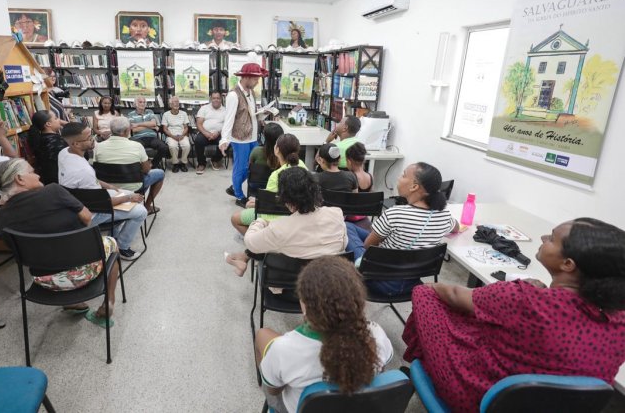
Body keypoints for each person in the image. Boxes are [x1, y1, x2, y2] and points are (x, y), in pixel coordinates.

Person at [403, 218, 625, 413]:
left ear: (568, 264)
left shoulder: (524, 298)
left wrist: (435, 287)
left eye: (552, 238)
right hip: (546, 404)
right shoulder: (619, 320)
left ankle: (425, 365)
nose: (543, 237)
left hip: (478, 399)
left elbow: (453, 294)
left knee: (425, 293)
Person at [0, 158, 120, 328]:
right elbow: (87, 218)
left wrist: (6, 195)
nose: (37, 175)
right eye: (31, 172)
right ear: (20, 179)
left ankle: (73, 303)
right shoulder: (54, 192)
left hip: (44, 281)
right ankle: (109, 301)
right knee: (111, 242)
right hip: (84, 273)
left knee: (52, 254)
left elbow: (2, 204)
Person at [256, 256, 393, 413]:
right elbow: (382, 369)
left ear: (305, 304)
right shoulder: (376, 334)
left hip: (297, 408)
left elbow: (273, 392)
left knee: (262, 335)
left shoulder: (284, 349)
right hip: (358, 407)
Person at [346, 162, 458, 295]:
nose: (399, 177)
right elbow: (456, 227)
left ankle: (354, 270)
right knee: (357, 229)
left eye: (403, 175)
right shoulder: (444, 215)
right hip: (413, 282)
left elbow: (368, 245)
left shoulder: (395, 213)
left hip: (380, 281)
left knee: (347, 228)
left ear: (414, 186)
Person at [225, 166, 346, 277]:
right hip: (330, 281)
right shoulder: (336, 214)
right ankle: (242, 257)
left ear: (285, 199)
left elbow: (250, 242)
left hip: (290, 285)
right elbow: (343, 244)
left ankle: (242, 258)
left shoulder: (279, 228)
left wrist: (261, 220)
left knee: (272, 245)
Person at [58, 123, 147, 260]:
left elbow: (90, 181)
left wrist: (109, 186)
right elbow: (104, 203)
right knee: (141, 211)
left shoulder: (64, 153)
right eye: (89, 137)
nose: (94, 138)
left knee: (120, 192)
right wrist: (129, 197)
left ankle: (115, 234)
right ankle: (122, 247)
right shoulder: (83, 171)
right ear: (76, 144)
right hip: (90, 213)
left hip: (79, 201)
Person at [231, 133, 307, 235]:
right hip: (298, 213)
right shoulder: (302, 165)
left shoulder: (276, 175)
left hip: (276, 216)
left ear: (277, 150)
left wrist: (257, 203)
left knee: (235, 218)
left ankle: (257, 245)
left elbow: (268, 206)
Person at [94, 117, 164, 215]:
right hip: (133, 186)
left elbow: (96, 168)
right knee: (160, 173)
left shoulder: (98, 147)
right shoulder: (137, 146)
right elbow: (147, 170)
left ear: (111, 130)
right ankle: (147, 207)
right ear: (127, 131)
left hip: (107, 188)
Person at [220, 63, 267, 207]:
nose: (258, 82)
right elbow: (228, 119)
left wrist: (264, 114)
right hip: (240, 139)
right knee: (240, 168)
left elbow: (251, 115)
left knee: (252, 167)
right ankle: (239, 196)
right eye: (256, 79)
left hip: (253, 136)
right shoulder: (233, 95)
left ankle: (234, 187)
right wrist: (224, 139)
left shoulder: (251, 92)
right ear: (246, 77)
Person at [127, 96, 168, 169]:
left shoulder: (150, 112)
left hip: (152, 137)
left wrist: (138, 124)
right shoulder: (131, 114)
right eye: (140, 102)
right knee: (137, 148)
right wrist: (150, 126)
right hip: (138, 137)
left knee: (164, 147)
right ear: (135, 104)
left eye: (144, 102)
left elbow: (154, 123)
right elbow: (134, 130)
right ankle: (146, 163)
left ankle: (152, 164)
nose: (142, 104)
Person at [29, 110, 67, 185]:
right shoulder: (56, 141)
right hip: (60, 181)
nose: (59, 120)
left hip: (47, 180)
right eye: (56, 118)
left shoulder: (40, 139)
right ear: (48, 124)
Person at [194, 91, 226, 174]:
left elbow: (227, 125)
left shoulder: (225, 110)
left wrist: (218, 132)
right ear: (211, 99)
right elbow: (199, 123)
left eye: (218, 98)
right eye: (214, 98)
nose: (216, 100)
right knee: (198, 141)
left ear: (221, 99)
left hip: (219, 134)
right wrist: (206, 133)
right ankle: (201, 163)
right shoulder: (204, 108)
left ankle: (215, 160)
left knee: (227, 142)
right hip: (205, 133)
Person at [247, 122, 284, 193]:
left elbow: (250, 166)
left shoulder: (256, 151)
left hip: (256, 186)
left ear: (264, 137)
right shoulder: (283, 153)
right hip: (275, 189)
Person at [161, 96, 190, 173]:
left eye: (177, 102)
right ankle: (175, 163)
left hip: (182, 134)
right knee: (173, 146)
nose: (176, 103)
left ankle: (183, 163)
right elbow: (165, 129)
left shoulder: (184, 113)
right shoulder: (166, 114)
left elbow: (186, 127)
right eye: (174, 102)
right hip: (171, 135)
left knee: (187, 145)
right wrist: (172, 136)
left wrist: (182, 135)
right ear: (170, 105)